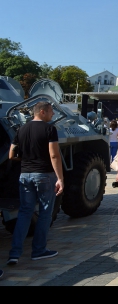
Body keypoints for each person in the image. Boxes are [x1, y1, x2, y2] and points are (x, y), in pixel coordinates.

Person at [6, 100, 65, 265]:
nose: (53, 114)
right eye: (51, 111)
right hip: (45, 175)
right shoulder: (49, 129)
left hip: (25, 175)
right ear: (42, 112)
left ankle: (14, 254)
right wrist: (60, 178)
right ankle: (39, 250)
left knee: (25, 213)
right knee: (45, 213)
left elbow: (12, 154)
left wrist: (25, 160)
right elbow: (54, 155)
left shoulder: (21, 129)